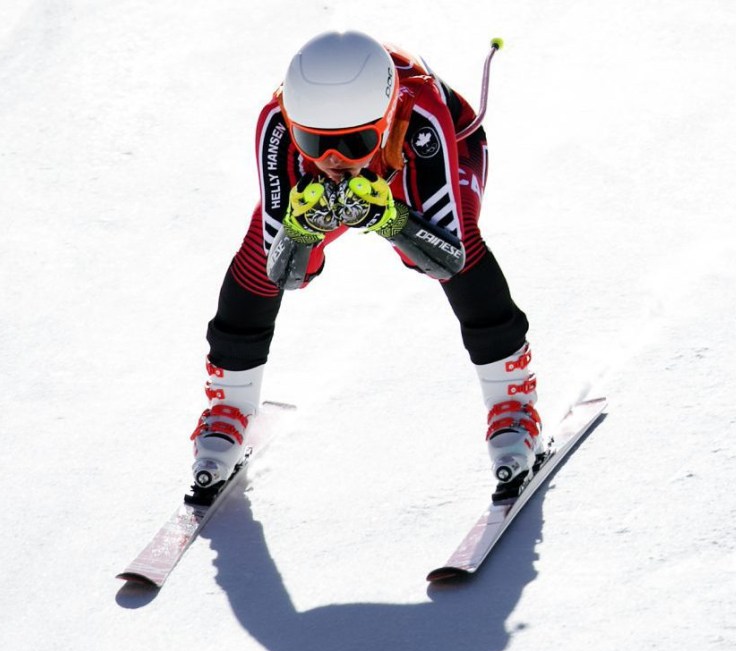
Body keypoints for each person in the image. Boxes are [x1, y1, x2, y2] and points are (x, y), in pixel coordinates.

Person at [191, 30, 541, 500]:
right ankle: (228, 407)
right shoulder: (275, 126)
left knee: (466, 257)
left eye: (353, 142)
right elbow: (286, 273)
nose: (333, 161)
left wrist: (391, 220)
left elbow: (447, 256)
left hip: (423, 157)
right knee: (259, 255)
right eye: (314, 141)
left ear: (383, 118)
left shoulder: (418, 117)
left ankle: (513, 402)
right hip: (368, 166)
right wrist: (302, 232)